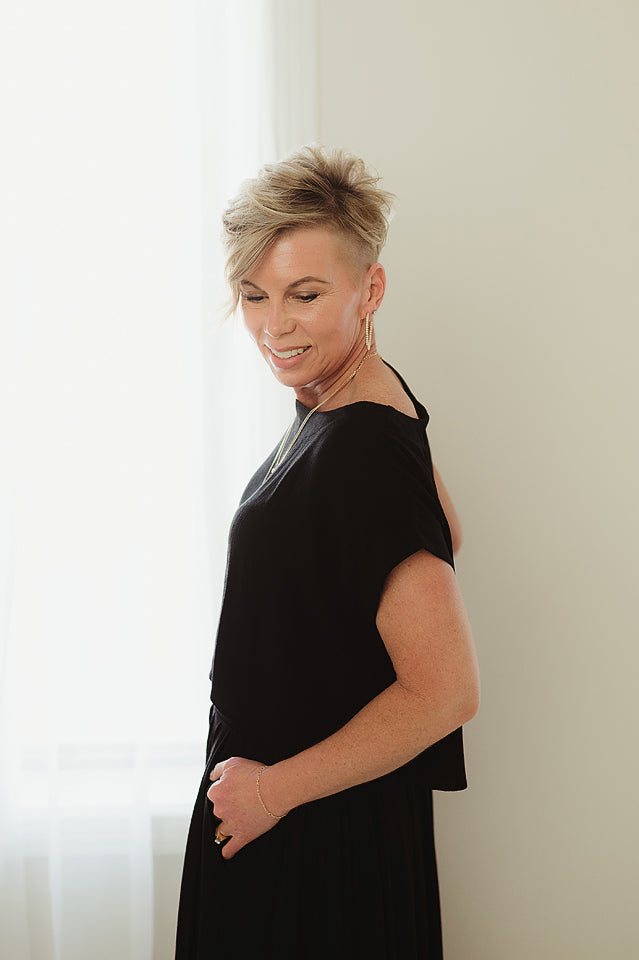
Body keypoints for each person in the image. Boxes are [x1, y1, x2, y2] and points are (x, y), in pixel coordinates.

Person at [175, 145, 480, 960]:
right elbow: (440, 531)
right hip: (284, 808)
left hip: (311, 830)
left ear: (369, 289)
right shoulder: (345, 397)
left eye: (305, 295)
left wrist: (271, 792)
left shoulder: (365, 440)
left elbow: (446, 692)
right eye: (253, 295)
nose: (274, 325)